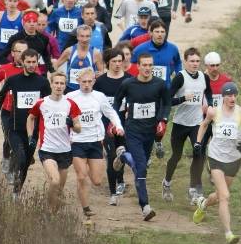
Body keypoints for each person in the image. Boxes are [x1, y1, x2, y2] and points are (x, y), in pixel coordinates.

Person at [192, 82, 241, 244]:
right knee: (225, 196)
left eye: (235, 95)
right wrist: (198, 143)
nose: (232, 98)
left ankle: (203, 204)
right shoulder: (214, 111)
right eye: (229, 95)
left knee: (219, 195)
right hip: (215, 157)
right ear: (223, 96)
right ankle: (229, 234)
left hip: (233, 160)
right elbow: (203, 125)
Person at [113, 53, 170, 220]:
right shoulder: (128, 84)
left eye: (150, 65)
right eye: (144, 65)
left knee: (142, 163)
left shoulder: (159, 84)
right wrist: (117, 122)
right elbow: (117, 101)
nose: (147, 68)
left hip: (150, 132)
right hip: (133, 131)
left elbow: (166, 103)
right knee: (141, 166)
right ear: (137, 66)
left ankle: (123, 156)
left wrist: (163, 119)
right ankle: (145, 206)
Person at [0, 49, 51, 199]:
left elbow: (49, 105)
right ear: (22, 62)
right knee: (22, 158)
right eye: (28, 62)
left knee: (25, 164)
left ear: (37, 62)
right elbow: (1, 96)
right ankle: (13, 174)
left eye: (34, 62)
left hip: (33, 131)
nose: (31, 65)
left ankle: (17, 192)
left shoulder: (42, 82)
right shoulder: (13, 80)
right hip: (15, 128)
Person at [69, 67, 124, 219]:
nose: (86, 85)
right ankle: (86, 208)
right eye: (83, 82)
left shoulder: (99, 97)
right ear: (78, 81)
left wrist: (118, 126)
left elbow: (111, 112)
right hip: (77, 142)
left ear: (94, 81)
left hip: (95, 142)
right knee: (81, 176)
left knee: (97, 181)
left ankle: (94, 165)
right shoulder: (71, 97)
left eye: (89, 81)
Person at [162, 47, 213, 205]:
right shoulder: (180, 77)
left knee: (198, 154)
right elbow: (167, 100)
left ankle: (192, 189)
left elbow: (209, 92)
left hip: (197, 123)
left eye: (197, 61)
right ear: (185, 62)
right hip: (180, 123)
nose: (195, 64)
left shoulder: (204, 77)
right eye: (192, 61)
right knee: (176, 156)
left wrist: (209, 105)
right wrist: (183, 98)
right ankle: (167, 183)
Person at [27, 72, 82, 212]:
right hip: (47, 149)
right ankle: (48, 209)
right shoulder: (42, 103)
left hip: (65, 150)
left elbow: (79, 129)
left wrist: (72, 124)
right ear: (51, 84)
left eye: (62, 83)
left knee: (59, 188)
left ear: (65, 86)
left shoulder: (70, 104)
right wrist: (30, 136)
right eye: (56, 83)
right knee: (55, 181)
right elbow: (30, 117)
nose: (59, 86)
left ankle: (53, 214)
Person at [94, 48, 130, 205]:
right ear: (108, 62)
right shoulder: (101, 81)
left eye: (119, 61)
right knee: (111, 155)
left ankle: (121, 179)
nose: (117, 64)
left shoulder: (129, 80)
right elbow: (95, 103)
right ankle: (113, 191)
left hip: (124, 123)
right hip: (105, 124)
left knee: (122, 153)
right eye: (114, 61)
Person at [0, 39, 28, 178]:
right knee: (9, 139)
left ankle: (14, 166)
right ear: (13, 53)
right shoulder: (4, 69)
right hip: (7, 111)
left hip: (24, 113)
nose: (23, 54)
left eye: (25, 51)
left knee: (21, 142)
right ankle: (6, 160)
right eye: (20, 51)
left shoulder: (32, 69)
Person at [54, 24, 103, 92]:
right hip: (70, 89)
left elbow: (101, 72)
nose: (84, 39)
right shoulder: (69, 51)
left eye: (87, 36)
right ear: (77, 37)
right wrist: (59, 78)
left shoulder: (96, 53)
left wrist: (100, 74)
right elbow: (55, 65)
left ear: (91, 37)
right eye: (82, 36)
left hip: (88, 90)